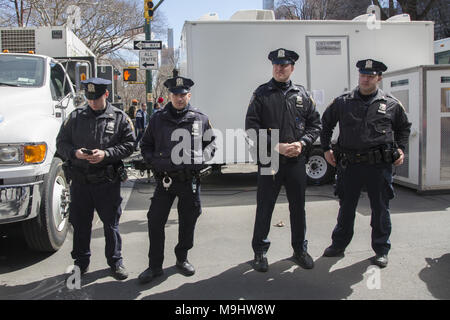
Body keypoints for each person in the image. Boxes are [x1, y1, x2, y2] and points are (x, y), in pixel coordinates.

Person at [320, 59, 411, 268]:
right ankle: (338, 244)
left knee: (380, 209)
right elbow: (325, 124)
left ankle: (381, 249)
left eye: (370, 76)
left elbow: (404, 128)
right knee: (346, 207)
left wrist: (401, 149)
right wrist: (325, 149)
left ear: (379, 78)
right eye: (363, 75)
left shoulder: (391, 103)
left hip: (378, 166)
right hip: (349, 165)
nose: (365, 79)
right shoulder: (343, 102)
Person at [245, 48, 321, 272]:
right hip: (270, 159)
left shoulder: (302, 95)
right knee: (265, 207)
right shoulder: (261, 94)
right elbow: (251, 127)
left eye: (284, 65)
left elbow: (315, 125)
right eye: (277, 65)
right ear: (273, 67)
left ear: (292, 68)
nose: (280, 68)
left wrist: (302, 143)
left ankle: (300, 249)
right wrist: (276, 145)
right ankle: (260, 252)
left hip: (296, 160)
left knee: (298, 207)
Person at [138, 76, 216, 284]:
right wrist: (155, 161)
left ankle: (182, 258)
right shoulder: (157, 119)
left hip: (189, 181)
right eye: (175, 94)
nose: (179, 98)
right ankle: (155, 266)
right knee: (155, 221)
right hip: (165, 181)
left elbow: (211, 144)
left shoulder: (200, 118)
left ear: (188, 95)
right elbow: (145, 145)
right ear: (169, 96)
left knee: (188, 220)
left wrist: (203, 157)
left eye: (183, 95)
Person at [56, 77, 135, 280]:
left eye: (97, 98)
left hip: (107, 182)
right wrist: (75, 153)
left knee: (111, 225)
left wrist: (106, 154)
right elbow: (61, 144)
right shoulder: (75, 117)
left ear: (106, 95)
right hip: (81, 182)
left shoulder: (119, 117)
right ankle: (81, 263)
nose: (92, 102)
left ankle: (115, 261)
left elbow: (129, 145)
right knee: (81, 225)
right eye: (89, 98)